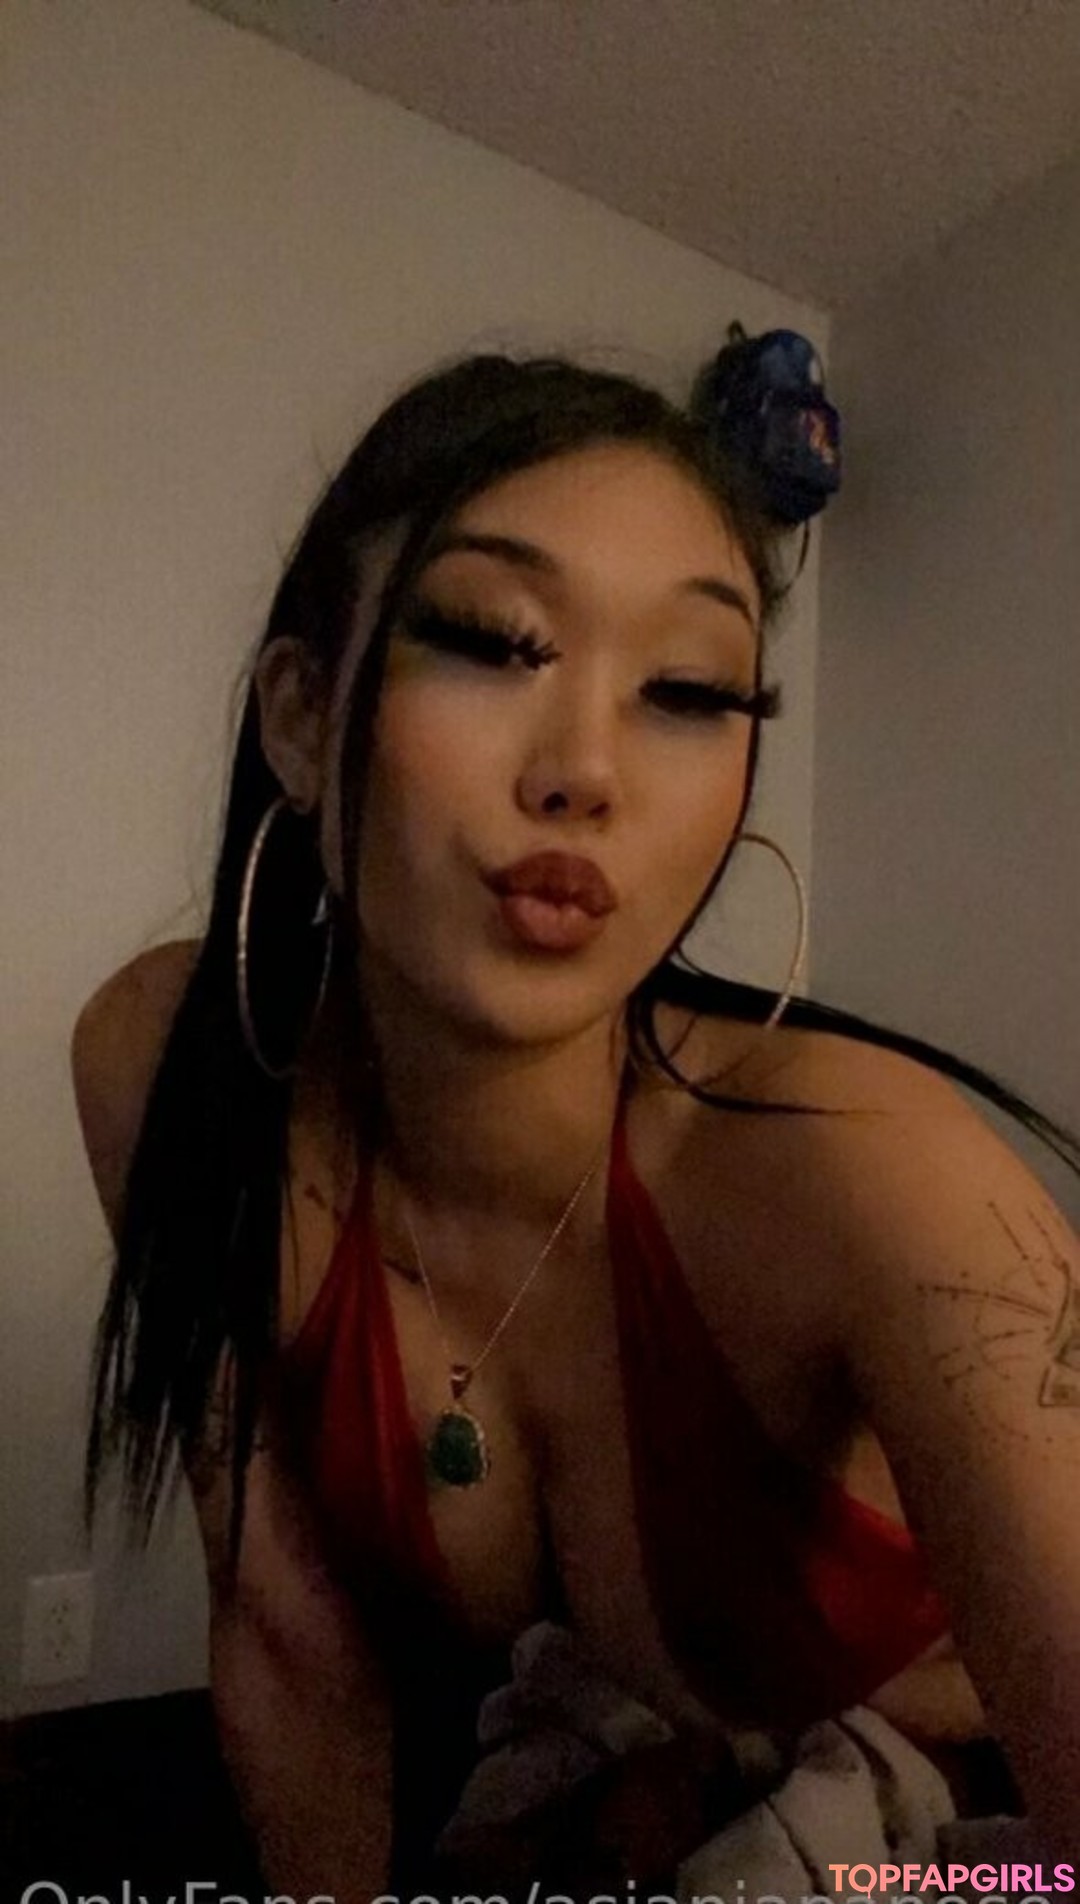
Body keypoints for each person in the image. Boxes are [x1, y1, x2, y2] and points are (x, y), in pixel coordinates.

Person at [71, 353, 1080, 1897]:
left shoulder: (879, 1178)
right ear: (300, 714)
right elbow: (286, 1636)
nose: (589, 773)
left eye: (689, 692)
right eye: (493, 640)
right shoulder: (172, 1065)